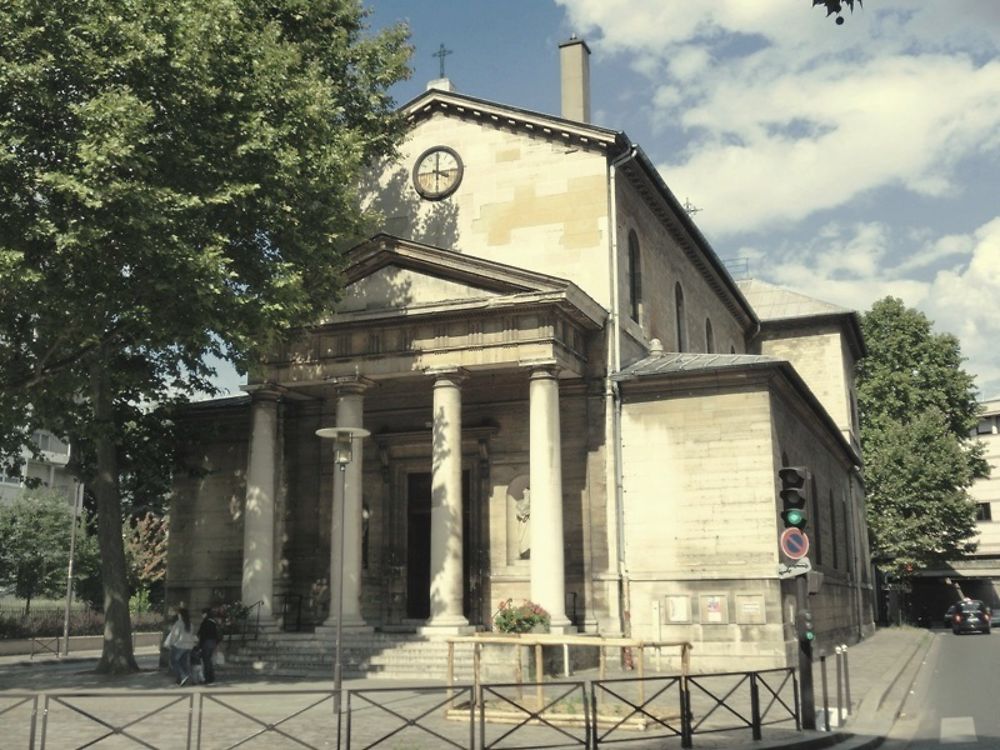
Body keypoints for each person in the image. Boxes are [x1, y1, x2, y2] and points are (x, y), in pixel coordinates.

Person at [163, 606, 198, 686]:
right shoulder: (190, 624)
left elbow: (174, 635)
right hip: (189, 646)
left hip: (179, 645)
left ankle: (183, 676)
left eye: (178, 614)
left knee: (173, 661)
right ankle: (189, 679)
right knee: (184, 663)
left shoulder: (179, 623)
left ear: (180, 615)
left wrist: (170, 643)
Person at [197, 607, 220, 685]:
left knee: (206, 660)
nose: (202, 615)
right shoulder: (213, 622)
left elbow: (202, 635)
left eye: (202, 613)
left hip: (206, 643)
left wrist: (200, 646)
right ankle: (211, 677)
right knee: (209, 660)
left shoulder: (205, 622)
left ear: (205, 614)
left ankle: (207, 678)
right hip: (213, 642)